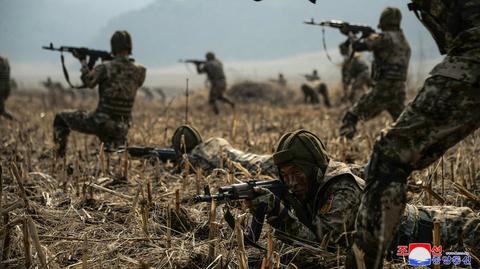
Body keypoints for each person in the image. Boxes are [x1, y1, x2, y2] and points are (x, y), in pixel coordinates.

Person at [346, 1, 480, 268]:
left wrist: (354, 39)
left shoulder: (386, 37)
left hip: (473, 54)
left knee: (389, 154)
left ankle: (362, 263)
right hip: (404, 85)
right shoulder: (402, 40)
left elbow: (367, 45)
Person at [245, 130, 480, 264]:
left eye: (297, 173)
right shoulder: (310, 186)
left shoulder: (341, 190)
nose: (291, 181)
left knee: (459, 261)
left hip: (451, 235)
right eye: (285, 175)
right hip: (406, 248)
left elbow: (321, 248)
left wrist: (278, 214)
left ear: (314, 170)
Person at [53, 31, 146, 157]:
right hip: (122, 127)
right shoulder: (140, 71)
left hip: (101, 123)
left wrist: (83, 62)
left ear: (113, 47)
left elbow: (88, 82)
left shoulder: (105, 68)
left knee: (60, 118)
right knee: (113, 155)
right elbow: (125, 82)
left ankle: (58, 157)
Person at [339, 7, 411, 139]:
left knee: (351, 117)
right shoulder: (404, 41)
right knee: (405, 126)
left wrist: (349, 34)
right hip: (400, 89)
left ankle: (347, 148)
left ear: (383, 21)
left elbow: (357, 46)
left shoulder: (384, 38)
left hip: (383, 88)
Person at [0, 55, 15, 120]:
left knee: (2, 111)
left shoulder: (2, 65)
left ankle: (13, 120)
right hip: (5, 88)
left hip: (1, 89)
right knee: (2, 110)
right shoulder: (6, 64)